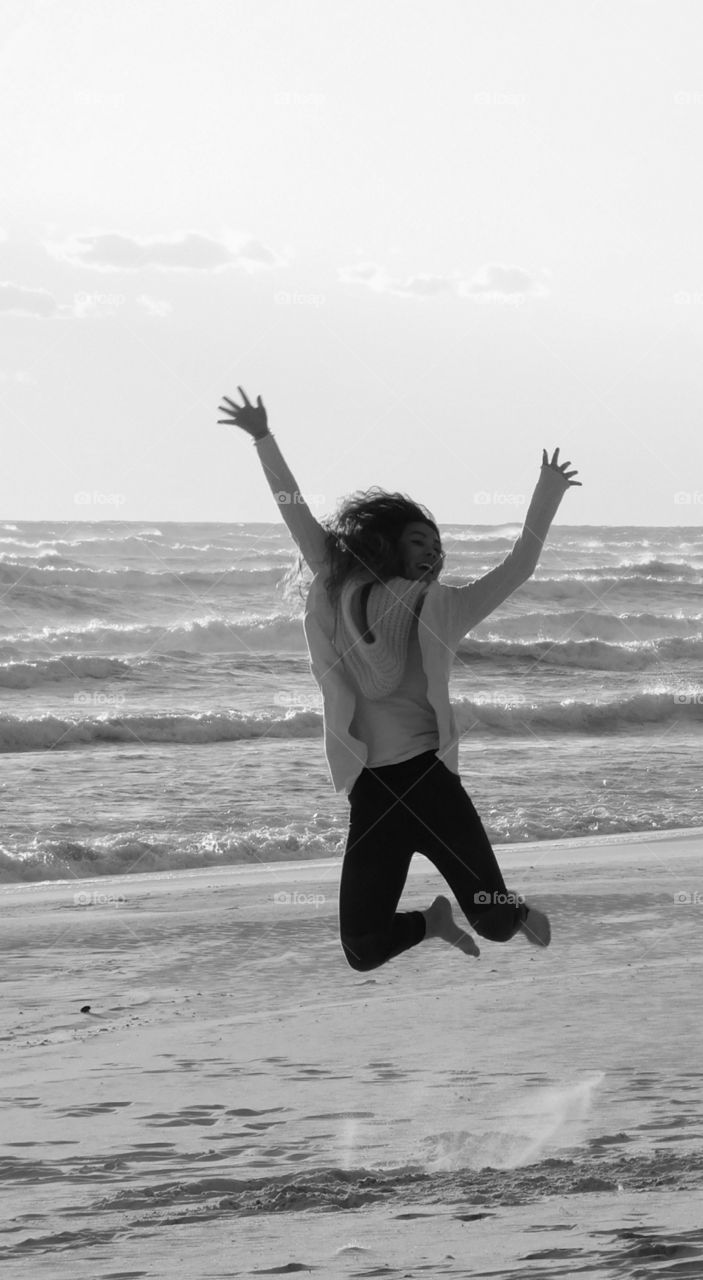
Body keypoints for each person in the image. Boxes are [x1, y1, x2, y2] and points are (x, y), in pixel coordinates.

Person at [218, 386, 581, 971]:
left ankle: (507, 912)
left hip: (431, 786)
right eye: (420, 542)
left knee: (491, 920)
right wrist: (263, 438)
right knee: (363, 948)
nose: (433, 555)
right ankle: (432, 922)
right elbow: (295, 512)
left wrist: (547, 492)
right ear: (386, 544)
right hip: (373, 793)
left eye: (438, 548)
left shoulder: (446, 608)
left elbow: (520, 564)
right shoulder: (339, 582)